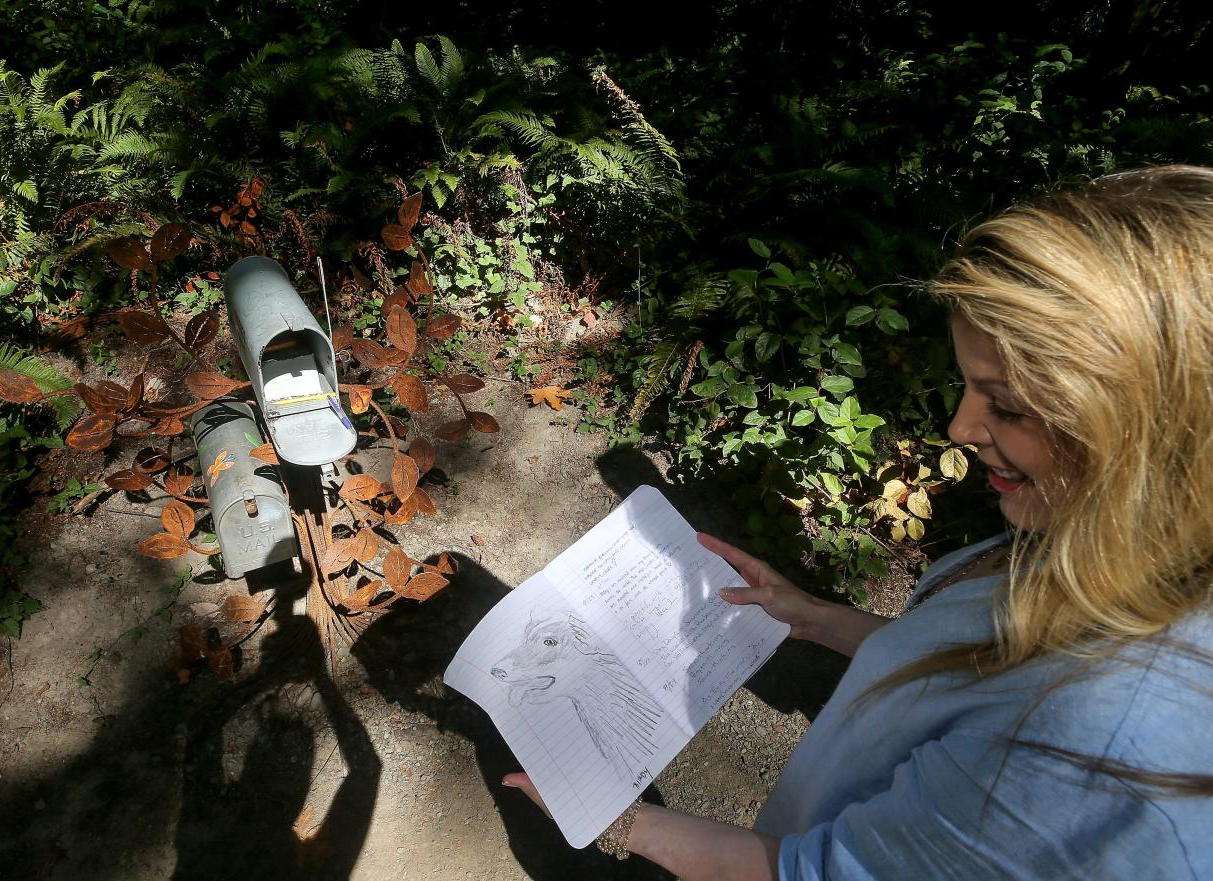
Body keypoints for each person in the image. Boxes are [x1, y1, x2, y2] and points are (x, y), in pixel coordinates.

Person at [503, 164, 1213, 879]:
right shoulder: (1124, 541)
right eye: (969, 387)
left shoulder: (1088, 752)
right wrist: (811, 616)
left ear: (1152, 428)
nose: (960, 426)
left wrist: (618, 819)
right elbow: (980, 666)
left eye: (1006, 405)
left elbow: (819, 872)